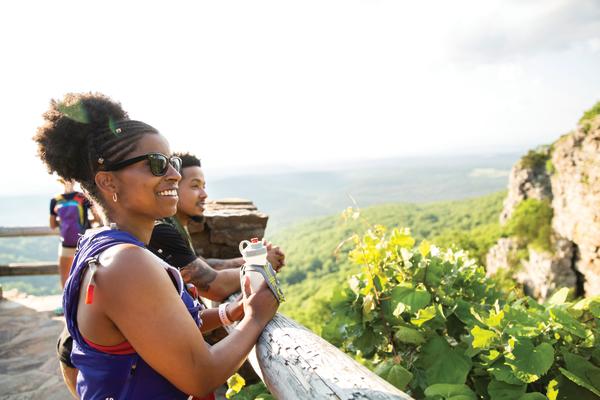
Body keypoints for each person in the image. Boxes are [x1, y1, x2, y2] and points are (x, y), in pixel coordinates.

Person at [34, 92, 279, 399]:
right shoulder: (125, 264)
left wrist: (232, 312)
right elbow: (201, 376)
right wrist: (257, 315)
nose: (175, 174)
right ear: (108, 182)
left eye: (172, 162)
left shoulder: (104, 245)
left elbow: (161, 327)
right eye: (157, 164)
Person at [148, 152, 286, 318]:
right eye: (195, 186)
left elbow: (203, 264)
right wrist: (262, 265)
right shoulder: (162, 230)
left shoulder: (175, 225)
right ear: (173, 186)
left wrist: (252, 258)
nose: (204, 194)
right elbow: (216, 285)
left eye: (203, 186)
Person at [49, 178, 95, 289]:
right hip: (84, 242)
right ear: (74, 181)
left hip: (66, 243)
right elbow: (97, 217)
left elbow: (52, 225)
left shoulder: (55, 200)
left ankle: (65, 304)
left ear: (59, 180)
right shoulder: (82, 197)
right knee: (85, 275)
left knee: (64, 275)